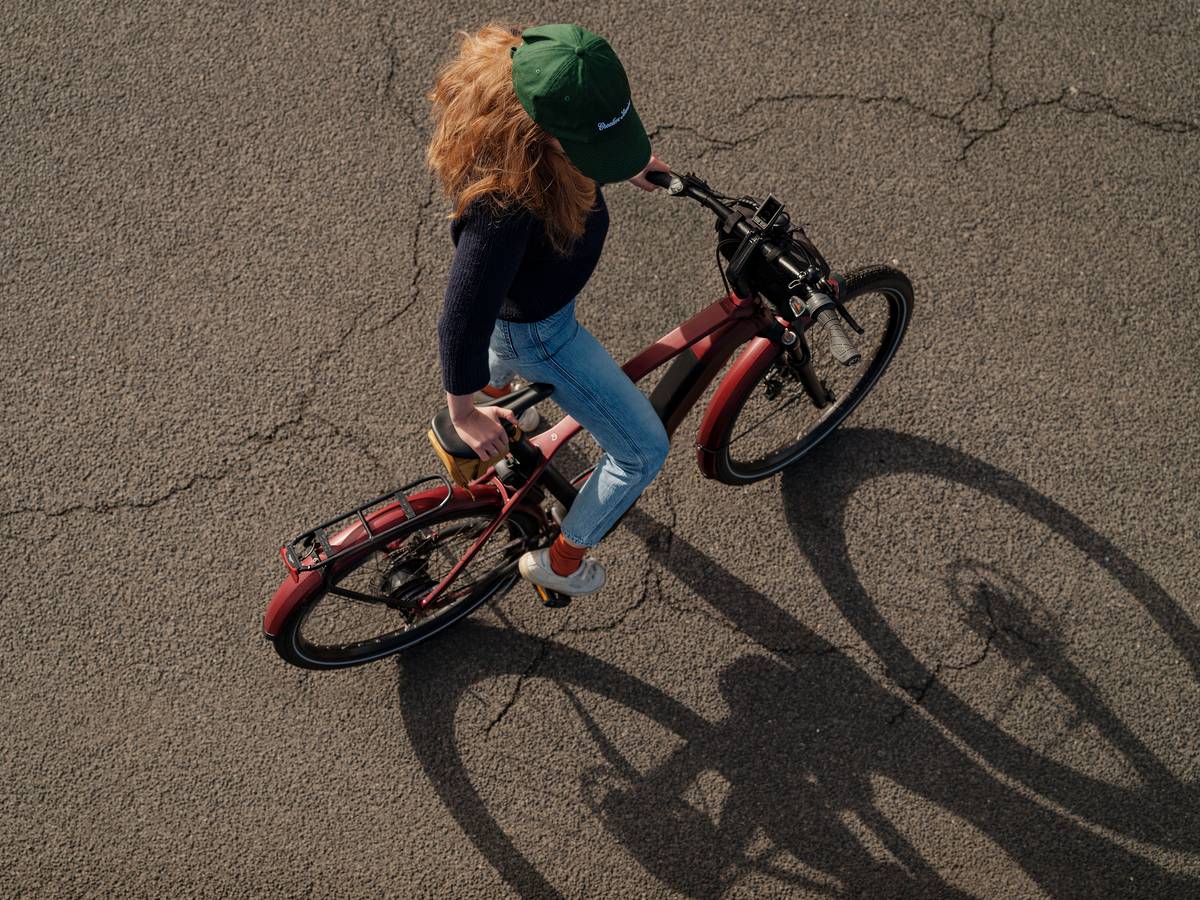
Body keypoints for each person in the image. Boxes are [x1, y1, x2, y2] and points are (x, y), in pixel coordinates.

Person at [426, 23, 672, 596]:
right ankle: (560, 564)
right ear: (537, 136)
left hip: (529, 314)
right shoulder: (506, 206)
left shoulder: (538, 88)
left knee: (505, 353)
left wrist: (621, 159)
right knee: (642, 452)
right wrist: (462, 414)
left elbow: (584, 140)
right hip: (541, 334)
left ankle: (499, 398)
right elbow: (462, 316)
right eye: (588, 148)